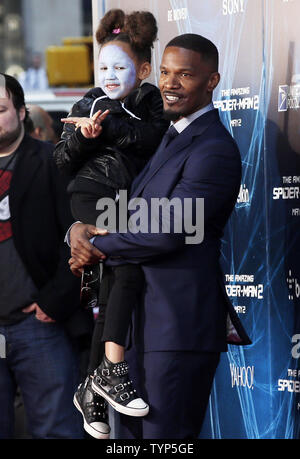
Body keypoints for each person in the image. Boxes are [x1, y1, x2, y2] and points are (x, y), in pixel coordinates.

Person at [68, 33, 251, 439]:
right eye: (166, 72)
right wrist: (80, 229)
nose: (169, 84)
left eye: (185, 74)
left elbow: (168, 231)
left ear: (212, 81)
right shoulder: (171, 138)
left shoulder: (214, 149)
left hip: (177, 328)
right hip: (139, 327)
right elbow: (135, 216)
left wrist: (95, 246)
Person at [54, 9, 169, 439]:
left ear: (141, 70)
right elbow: (61, 162)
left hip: (127, 201)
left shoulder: (149, 100)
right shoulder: (87, 99)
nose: (109, 75)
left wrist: (107, 119)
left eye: (119, 67)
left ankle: (92, 385)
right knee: (126, 273)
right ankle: (112, 369)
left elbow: (149, 139)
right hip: (91, 196)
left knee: (116, 282)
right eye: (102, 67)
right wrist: (83, 135)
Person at [0, 73, 93, 439]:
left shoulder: (52, 161)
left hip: (39, 325)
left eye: (1, 109)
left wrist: (52, 303)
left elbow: (77, 236)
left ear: (21, 112)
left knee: (57, 431)